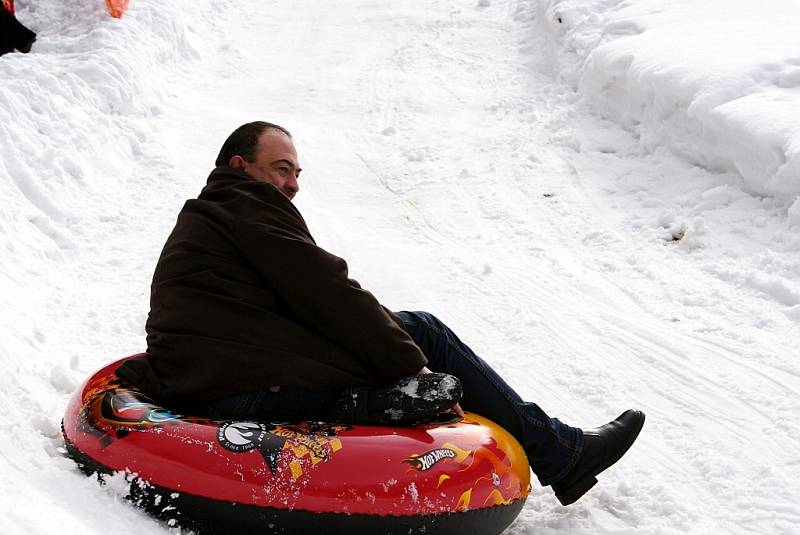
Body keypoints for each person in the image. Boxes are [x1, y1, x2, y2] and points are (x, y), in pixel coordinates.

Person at [116, 121, 645, 506]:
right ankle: (561, 452)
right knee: (422, 329)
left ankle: (377, 401)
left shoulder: (212, 215)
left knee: (397, 335)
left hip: (212, 377)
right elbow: (326, 290)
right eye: (281, 169)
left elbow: (280, 305)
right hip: (244, 382)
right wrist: (406, 359)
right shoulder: (245, 206)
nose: (293, 184)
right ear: (239, 167)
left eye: (297, 173)